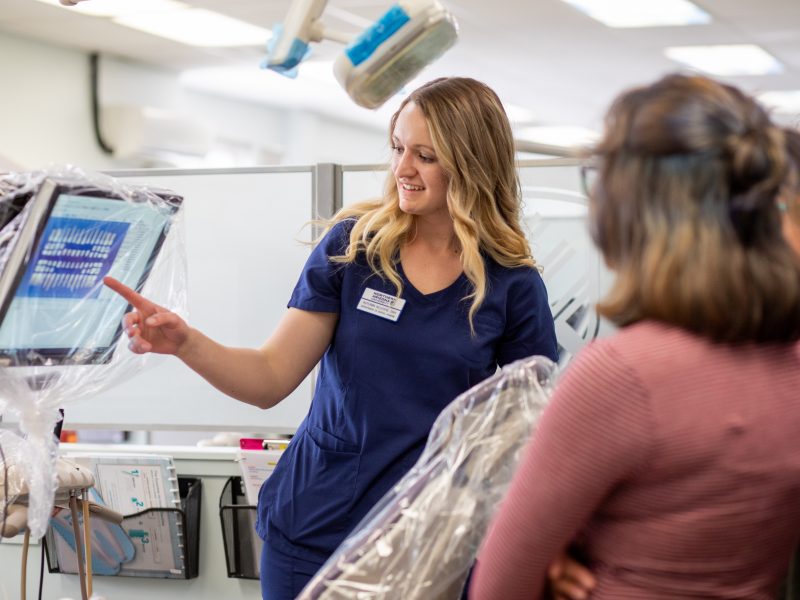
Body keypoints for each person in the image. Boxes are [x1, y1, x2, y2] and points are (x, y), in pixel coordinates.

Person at [104, 76, 559, 599]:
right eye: (398, 148)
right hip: (316, 525)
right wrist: (186, 343)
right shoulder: (355, 248)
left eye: (426, 156)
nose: (403, 169)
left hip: (429, 542)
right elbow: (270, 377)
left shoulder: (511, 283)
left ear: (472, 164)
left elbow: (533, 435)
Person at [469, 73, 800, 600]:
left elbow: (498, 587)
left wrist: (557, 553)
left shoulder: (623, 376)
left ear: (629, 213)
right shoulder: (789, 363)